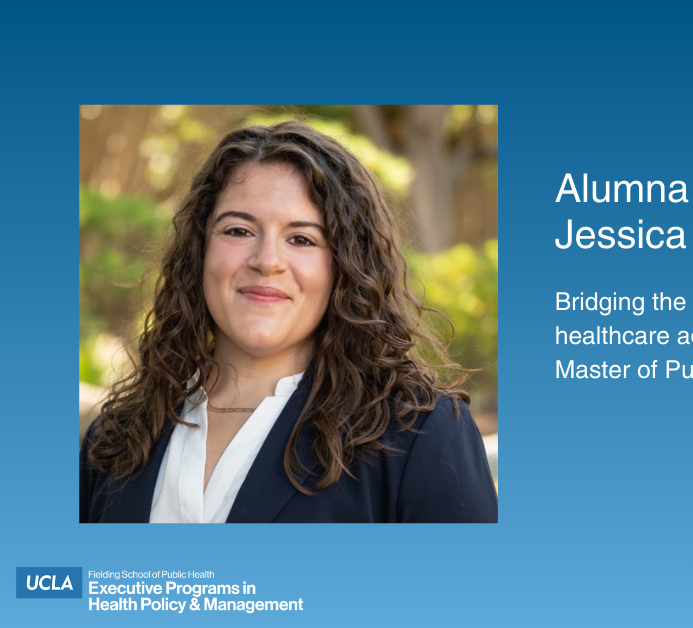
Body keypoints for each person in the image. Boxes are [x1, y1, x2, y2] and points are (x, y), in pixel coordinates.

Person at [80, 121, 498, 523]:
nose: (266, 261)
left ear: (345, 267)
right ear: (199, 250)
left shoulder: (420, 439)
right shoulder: (117, 436)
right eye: (239, 230)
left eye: (302, 239)